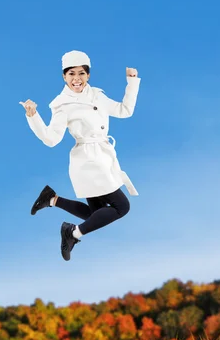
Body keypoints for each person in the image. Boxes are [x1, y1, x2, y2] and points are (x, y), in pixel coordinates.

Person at [19, 50, 141, 261]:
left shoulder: (97, 96)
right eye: (71, 74)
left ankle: (52, 199)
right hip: (89, 161)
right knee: (122, 207)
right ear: (64, 76)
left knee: (96, 215)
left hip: (101, 155)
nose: (77, 79)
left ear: (88, 75)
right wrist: (33, 116)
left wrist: (131, 82)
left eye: (81, 73)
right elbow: (51, 139)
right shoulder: (62, 105)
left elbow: (124, 110)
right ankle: (72, 232)